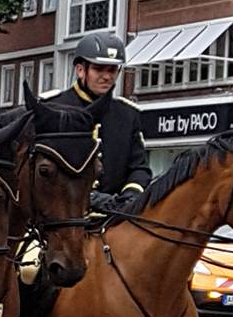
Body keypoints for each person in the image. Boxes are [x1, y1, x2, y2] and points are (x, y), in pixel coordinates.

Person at [44, 31, 152, 212]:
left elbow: (139, 168)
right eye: (98, 69)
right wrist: (87, 196)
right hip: (61, 217)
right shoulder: (53, 109)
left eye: (112, 70)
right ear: (80, 70)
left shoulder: (127, 114)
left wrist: (130, 196)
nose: (107, 76)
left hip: (113, 217)